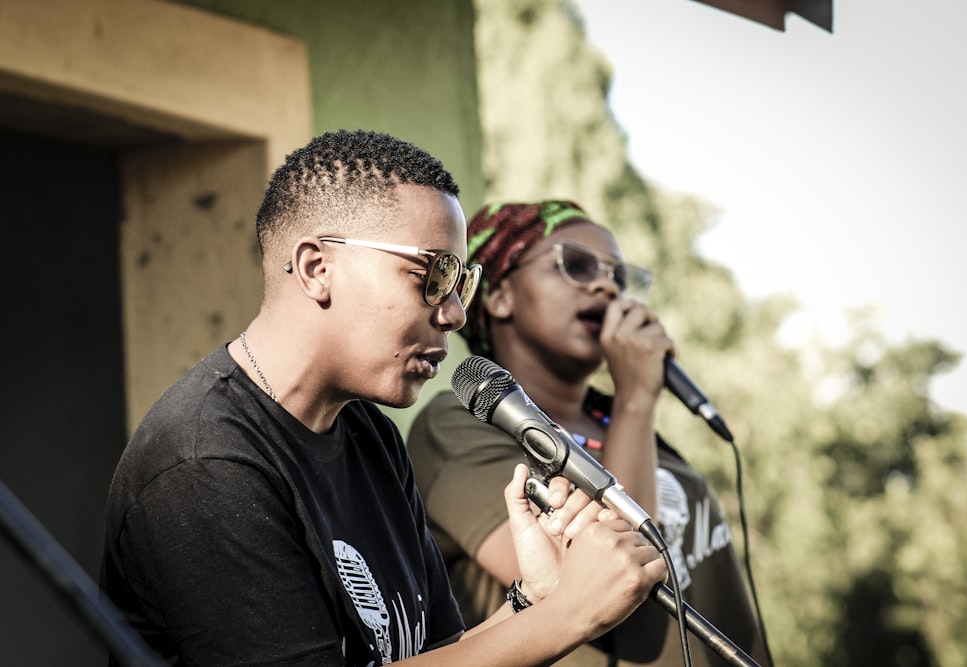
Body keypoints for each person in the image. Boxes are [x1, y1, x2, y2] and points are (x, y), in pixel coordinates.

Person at [100, 131, 667, 666]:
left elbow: (435, 653)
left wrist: (536, 601)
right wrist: (569, 617)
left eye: (461, 282)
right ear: (316, 268)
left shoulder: (369, 433)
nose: (453, 313)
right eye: (433, 273)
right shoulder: (204, 461)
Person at [406, 200, 772, 667]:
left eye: (619, 279)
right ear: (499, 296)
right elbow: (617, 590)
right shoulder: (459, 424)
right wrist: (637, 399)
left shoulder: (614, 419)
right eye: (575, 265)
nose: (606, 286)